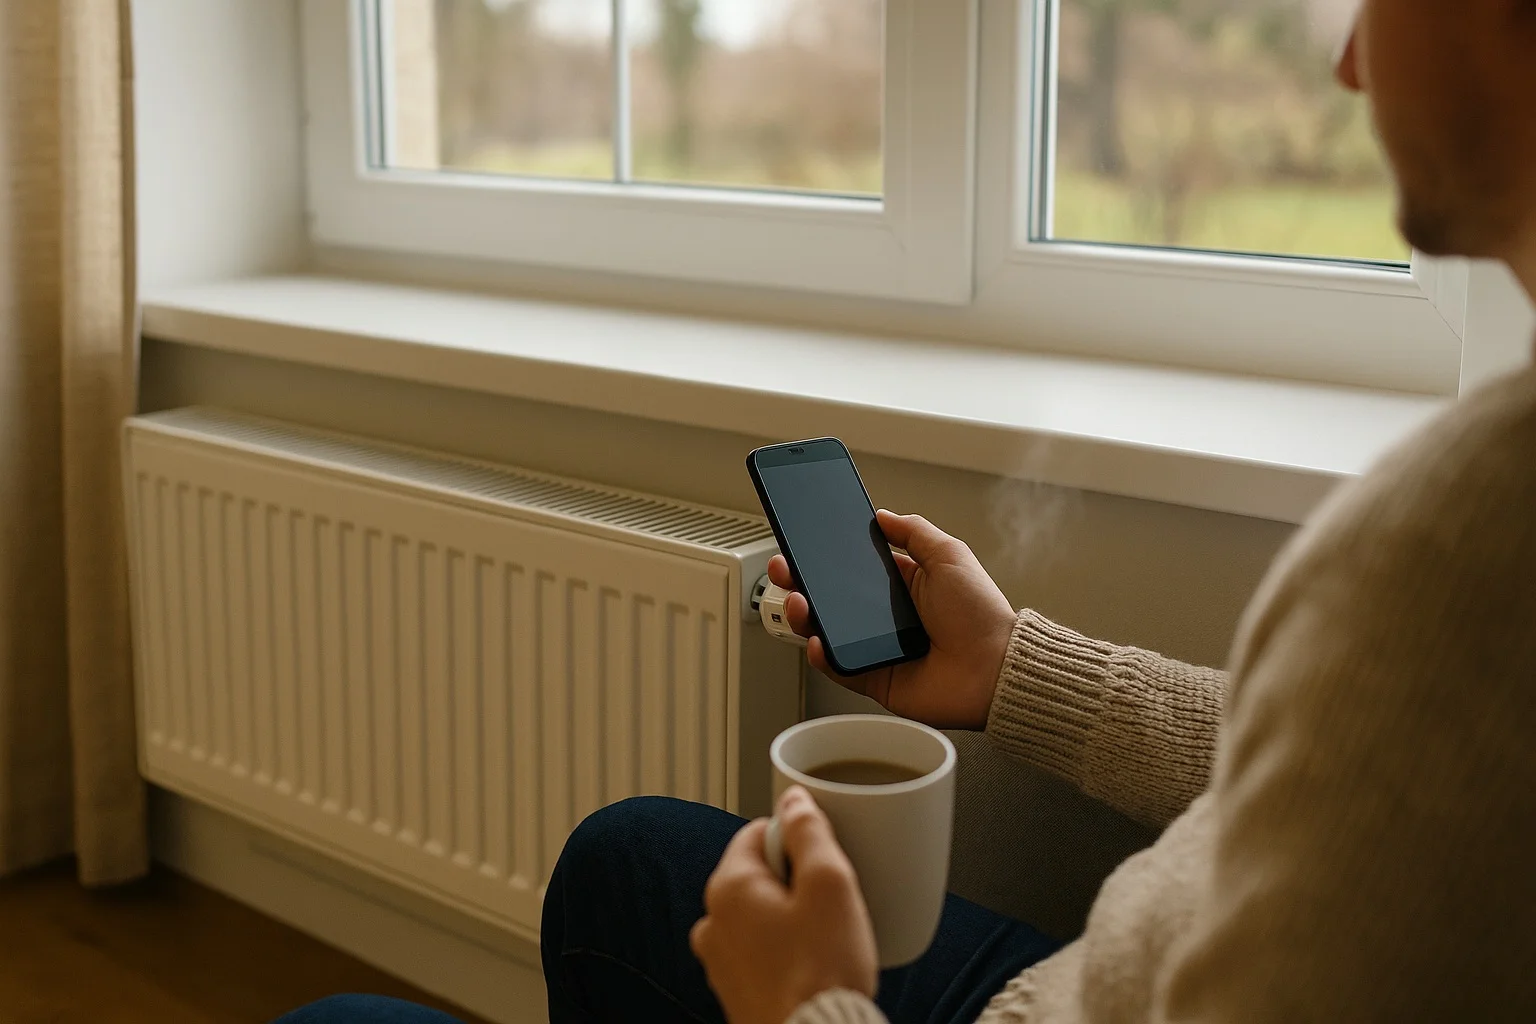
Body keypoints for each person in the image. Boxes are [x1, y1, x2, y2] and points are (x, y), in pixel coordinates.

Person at [280, 1, 1536, 1021]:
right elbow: (1324, 769)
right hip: (1093, 979)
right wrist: (1016, 669)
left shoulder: (1466, 538)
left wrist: (810, 1004)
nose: (1354, 59)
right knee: (626, 852)